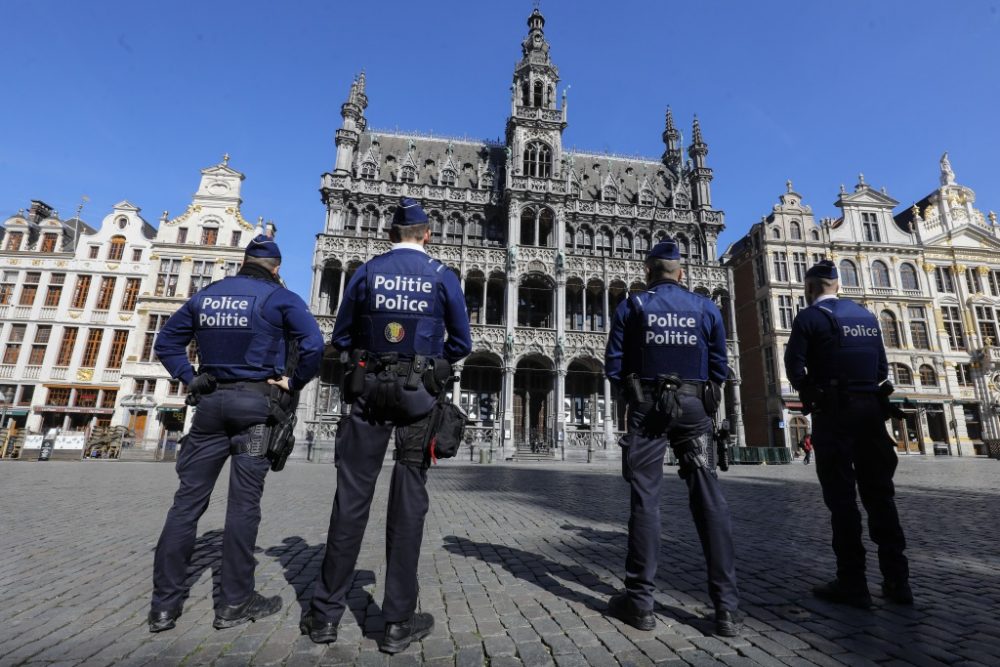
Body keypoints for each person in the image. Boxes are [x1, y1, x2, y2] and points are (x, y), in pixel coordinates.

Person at [301, 197, 472, 653]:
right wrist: (432, 366)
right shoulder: (441, 275)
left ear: (390, 233)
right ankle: (397, 621)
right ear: (428, 235)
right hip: (418, 399)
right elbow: (462, 341)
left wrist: (367, 352)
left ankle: (324, 616)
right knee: (408, 503)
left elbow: (338, 337)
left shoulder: (367, 272)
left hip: (368, 393)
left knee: (351, 499)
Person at [147, 230, 324, 633]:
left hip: (208, 407)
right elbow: (313, 344)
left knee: (186, 505)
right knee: (243, 506)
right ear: (276, 268)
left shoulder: (207, 297)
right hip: (256, 411)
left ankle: (163, 606)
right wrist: (293, 382)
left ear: (242, 262)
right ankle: (234, 603)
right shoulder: (280, 297)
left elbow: (166, 343)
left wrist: (189, 378)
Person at [604, 238, 741, 637]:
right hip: (695, 408)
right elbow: (719, 367)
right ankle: (725, 609)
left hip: (648, 410)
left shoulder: (634, 306)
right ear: (682, 273)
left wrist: (637, 393)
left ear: (648, 273)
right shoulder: (706, 307)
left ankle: (641, 603)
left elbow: (614, 366)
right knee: (708, 498)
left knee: (646, 500)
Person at [784, 260, 910, 608]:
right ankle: (898, 582)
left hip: (835, 413)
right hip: (871, 411)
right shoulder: (867, 317)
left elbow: (794, 365)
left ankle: (852, 581)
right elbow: (882, 367)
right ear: (838, 285)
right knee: (881, 497)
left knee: (842, 500)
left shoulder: (809, 318)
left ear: (810, 289)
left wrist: (812, 392)